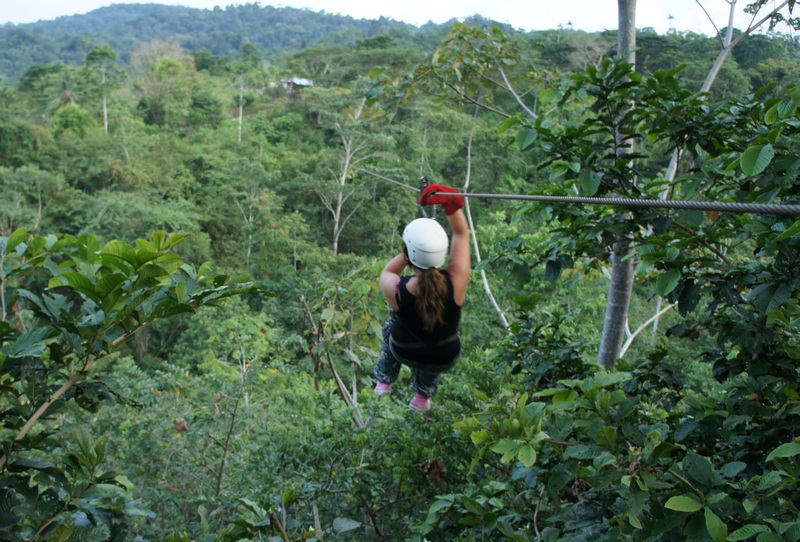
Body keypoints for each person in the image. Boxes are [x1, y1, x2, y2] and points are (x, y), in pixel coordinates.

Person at [373, 183, 471, 412]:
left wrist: (407, 253)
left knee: (390, 325)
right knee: (435, 346)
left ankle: (385, 379)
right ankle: (422, 396)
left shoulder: (396, 289)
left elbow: (387, 272)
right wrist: (451, 204)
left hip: (404, 350)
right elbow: (461, 233)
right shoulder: (456, 282)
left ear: (407, 253)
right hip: (444, 357)